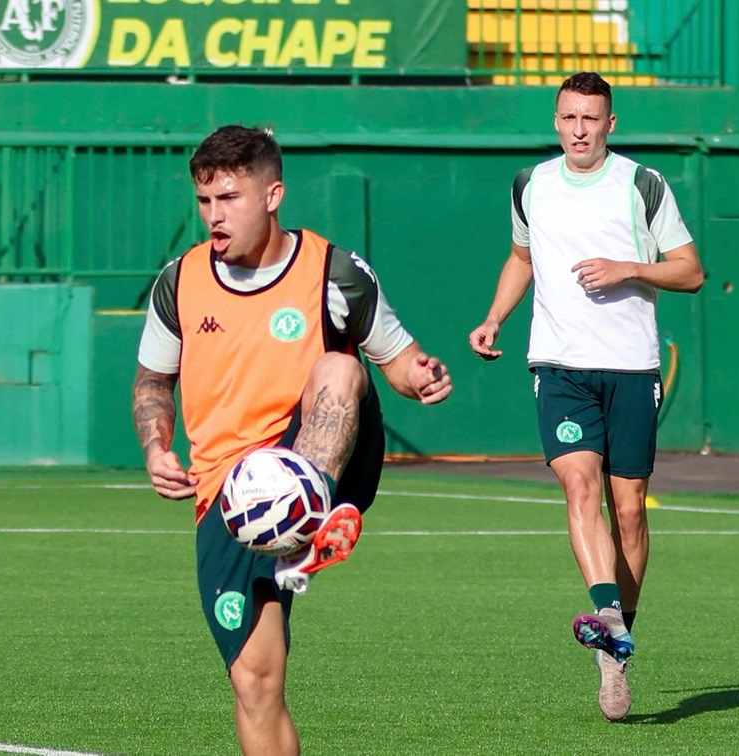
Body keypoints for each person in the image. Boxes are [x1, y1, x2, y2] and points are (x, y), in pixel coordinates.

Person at [132, 125, 452, 755]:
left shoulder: (335, 272)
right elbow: (152, 381)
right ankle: (289, 542)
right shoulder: (180, 281)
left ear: (273, 194)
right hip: (227, 495)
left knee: (340, 368)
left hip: (318, 464)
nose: (214, 217)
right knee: (255, 682)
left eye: (230, 199)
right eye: (204, 202)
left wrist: (423, 376)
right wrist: (155, 446)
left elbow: (398, 361)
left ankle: (305, 523)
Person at [468, 72, 704, 721]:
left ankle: (617, 644)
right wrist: (495, 317)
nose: (579, 129)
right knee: (580, 485)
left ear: (611, 123)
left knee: (628, 509)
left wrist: (630, 267)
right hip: (560, 364)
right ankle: (605, 610)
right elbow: (522, 257)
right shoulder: (531, 185)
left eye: (591, 119)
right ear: (556, 120)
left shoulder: (641, 184)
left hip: (630, 365)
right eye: (569, 117)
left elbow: (691, 270)